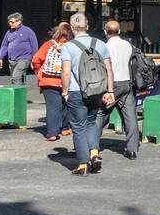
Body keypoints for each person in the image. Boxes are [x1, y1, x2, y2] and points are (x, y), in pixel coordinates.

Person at [59, 11, 115, 176]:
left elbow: (66, 72)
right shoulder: (100, 44)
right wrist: (109, 90)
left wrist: (64, 91)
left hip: (77, 91)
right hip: (97, 90)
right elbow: (109, 70)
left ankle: (83, 164)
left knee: (78, 126)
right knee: (91, 122)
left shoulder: (68, 47)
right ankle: (94, 153)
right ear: (87, 26)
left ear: (71, 28)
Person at [97, 20, 139, 160]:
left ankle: (93, 146)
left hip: (112, 85)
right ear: (119, 31)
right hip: (127, 83)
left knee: (101, 114)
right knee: (130, 117)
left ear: (105, 32)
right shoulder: (128, 44)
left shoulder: (104, 46)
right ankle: (132, 150)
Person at [31, 22, 74, 141]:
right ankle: (65, 128)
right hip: (66, 80)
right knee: (66, 105)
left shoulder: (49, 44)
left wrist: (40, 71)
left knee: (52, 107)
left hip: (48, 80)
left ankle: (52, 133)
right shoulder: (71, 45)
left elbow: (36, 60)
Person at [0, 12, 39, 85]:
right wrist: (0, 58)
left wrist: (34, 60)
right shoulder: (9, 32)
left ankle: (17, 93)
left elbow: (34, 46)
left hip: (24, 58)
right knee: (14, 78)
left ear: (19, 22)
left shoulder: (28, 31)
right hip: (12, 59)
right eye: (9, 22)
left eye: (12, 22)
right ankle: (18, 93)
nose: (10, 24)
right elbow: (4, 45)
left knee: (16, 77)